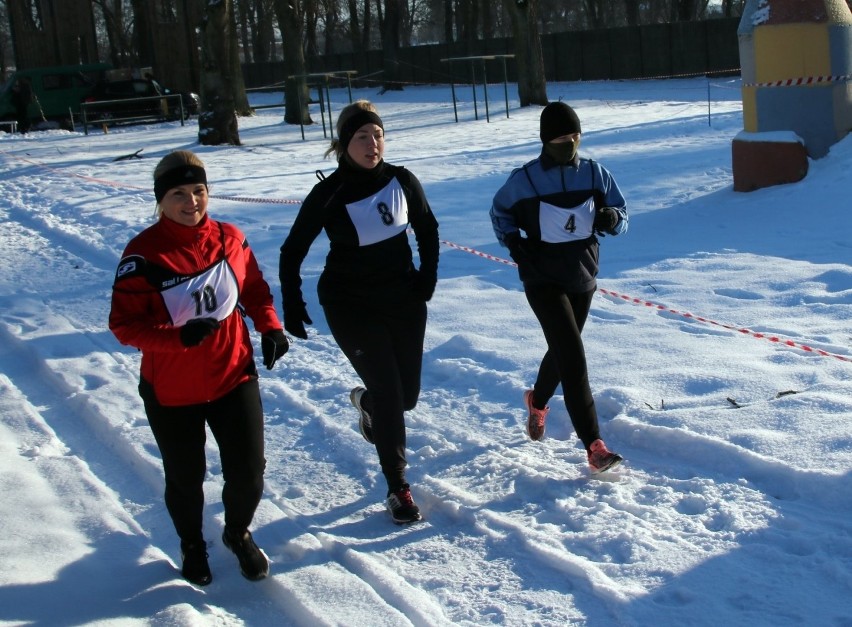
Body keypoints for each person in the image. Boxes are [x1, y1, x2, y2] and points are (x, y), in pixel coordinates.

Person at [109, 150, 289, 586]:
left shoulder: (230, 237)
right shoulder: (144, 255)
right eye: (179, 194)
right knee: (186, 479)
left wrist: (270, 326)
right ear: (160, 200)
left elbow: (254, 288)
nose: (191, 202)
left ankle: (237, 531)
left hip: (233, 375)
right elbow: (123, 325)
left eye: (199, 191)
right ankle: (192, 543)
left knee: (248, 472)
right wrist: (176, 339)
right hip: (172, 390)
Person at [279, 100, 439, 524]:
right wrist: (292, 302)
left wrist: (427, 277)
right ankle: (397, 486)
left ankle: (368, 403)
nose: (373, 144)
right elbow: (293, 250)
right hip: (350, 303)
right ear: (344, 143)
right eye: (363, 137)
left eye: (379, 135)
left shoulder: (402, 180)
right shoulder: (329, 193)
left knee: (404, 397)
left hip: (402, 299)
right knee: (390, 393)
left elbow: (428, 228)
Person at [490, 100, 627, 474]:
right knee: (573, 354)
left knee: (562, 349)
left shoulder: (596, 174)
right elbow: (499, 212)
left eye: (575, 136)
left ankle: (537, 400)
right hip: (541, 277)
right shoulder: (526, 179)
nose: (569, 143)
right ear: (545, 140)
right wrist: (513, 242)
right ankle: (594, 445)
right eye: (561, 138)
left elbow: (622, 215)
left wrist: (612, 217)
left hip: (582, 276)